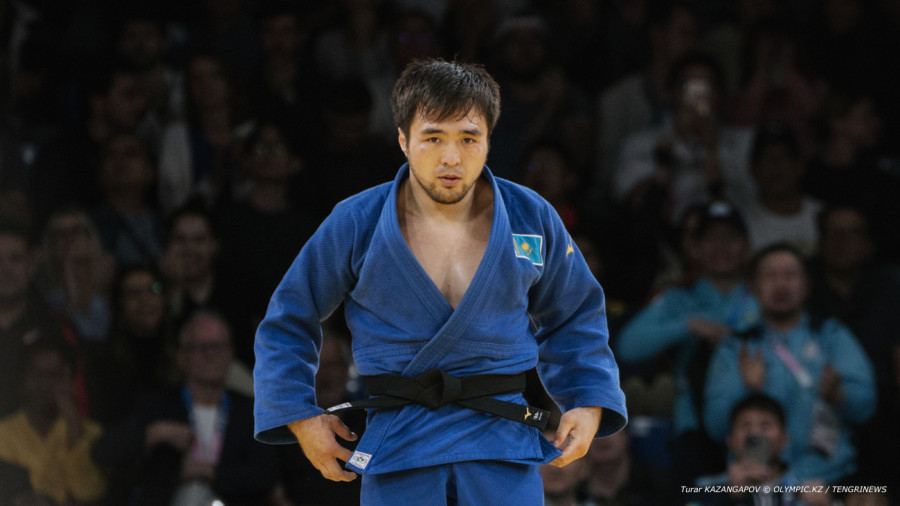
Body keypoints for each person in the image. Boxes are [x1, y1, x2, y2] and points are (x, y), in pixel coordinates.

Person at [253, 59, 627, 505]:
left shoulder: (530, 216)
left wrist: (588, 399)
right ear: (403, 140)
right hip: (400, 445)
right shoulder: (358, 221)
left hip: (502, 444)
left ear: (489, 140)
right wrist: (299, 416)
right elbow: (289, 317)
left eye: (468, 138)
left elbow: (575, 314)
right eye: (433, 138)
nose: (451, 157)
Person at [704, 243, 876, 484]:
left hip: (826, 477)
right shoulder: (737, 346)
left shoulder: (831, 335)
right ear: (752, 287)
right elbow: (715, 427)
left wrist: (839, 396)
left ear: (806, 285)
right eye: (770, 276)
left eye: (790, 275)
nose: (781, 284)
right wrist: (748, 390)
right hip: (759, 477)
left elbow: (866, 407)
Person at [615, 200, 758, 483]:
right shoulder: (678, 297)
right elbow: (627, 347)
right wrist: (688, 325)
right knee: (697, 496)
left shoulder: (763, 294)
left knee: (758, 491)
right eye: (711, 239)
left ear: (746, 245)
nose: (721, 247)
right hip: (693, 430)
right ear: (695, 247)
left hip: (757, 425)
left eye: (730, 238)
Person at [91, 310, 280, 506]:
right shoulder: (159, 406)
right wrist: (155, 432)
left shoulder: (250, 412)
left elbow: (265, 475)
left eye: (218, 346)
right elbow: (102, 450)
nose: (210, 354)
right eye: (200, 347)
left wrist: (207, 471)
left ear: (231, 354)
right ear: (181, 356)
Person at [0, 339, 107, 505]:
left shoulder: (93, 431)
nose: (47, 383)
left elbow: (90, 496)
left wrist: (73, 424)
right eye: (39, 374)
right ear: (24, 380)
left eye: (56, 375)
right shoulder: (4, 434)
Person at [691, 393, 837, 506]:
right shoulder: (705, 489)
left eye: (765, 426)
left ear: (784, 440)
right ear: (730, 440)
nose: (755, 433)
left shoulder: (806, 492)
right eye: (745, 426)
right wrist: (727, 496)